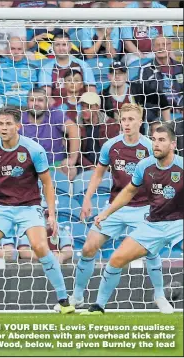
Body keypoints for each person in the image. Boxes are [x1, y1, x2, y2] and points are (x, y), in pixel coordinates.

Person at [0, 106, 74, 315]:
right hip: (0, 206)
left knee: (40, 247)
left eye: (8, 123)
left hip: (28, 206)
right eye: (0, 124)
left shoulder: (33, 150)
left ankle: (64, 299)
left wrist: (52, 214)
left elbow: (47, 183)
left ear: (18, 126)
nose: (4, 127)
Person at [73, 103, 173, 313]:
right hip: (116, 207)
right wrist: (87, 199)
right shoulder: (111, 146)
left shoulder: (149, 146)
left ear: (140, 121)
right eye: (123, 119)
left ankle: (160, 296)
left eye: (131, 119)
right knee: (88, 247)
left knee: (152, 252)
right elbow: (98, 174)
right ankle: (78, 295)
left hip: (144, 207)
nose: (126, 123)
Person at [19, 88, 80, 180]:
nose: (36, 104)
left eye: (40, 100)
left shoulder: (54, 114)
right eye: (32, 100)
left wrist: (72, 159)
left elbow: (74, 129)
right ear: (27, 103)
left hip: (54, 165)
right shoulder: (19, 119)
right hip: (27, 167)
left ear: (47, 103)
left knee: (71, 170)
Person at [38, 32, 96, 104]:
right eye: (57, 45)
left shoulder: (83, 65)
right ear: (53, 47)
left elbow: (92, 94)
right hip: (57, 111)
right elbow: (46, 97)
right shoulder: (46, 69)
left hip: (81, 110)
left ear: (70, 46)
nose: (61, 48)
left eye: (64, 45)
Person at [0, 37, 37, 109]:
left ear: (24, 50)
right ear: (6, 50)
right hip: (2, 107)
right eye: (12, 49)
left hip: (27, 108)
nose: (16, 52)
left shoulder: (33, 66)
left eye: (19, 49)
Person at [76, 92, 121, 170]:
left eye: (89, 107)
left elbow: (116, 150)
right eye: (82, 107)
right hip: (85, 167)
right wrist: (91, 167)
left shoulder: (111, 125)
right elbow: (75, 153)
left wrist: (105, 167)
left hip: (108, 167)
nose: (84, 110)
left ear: (97, 108)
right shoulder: (76, 125)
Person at [120, 1, 174, 65]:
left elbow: (168, 40)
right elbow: (127, 43)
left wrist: (173, 61)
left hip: (155, 52)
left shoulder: (162, 9)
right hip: (134, 54)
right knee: (134, 62)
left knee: (166, 60)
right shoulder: (128, 10)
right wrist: (144, 59)